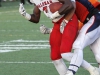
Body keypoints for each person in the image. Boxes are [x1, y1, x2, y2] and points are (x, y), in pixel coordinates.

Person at [19, 0, 100, 75]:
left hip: (92, 18)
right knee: (55, 56)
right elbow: (37, 16)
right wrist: (25, 15)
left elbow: (72, 6)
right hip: (82, 22)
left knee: (76, 46)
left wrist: (59, 15)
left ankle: (74, 72)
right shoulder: (37, 2)